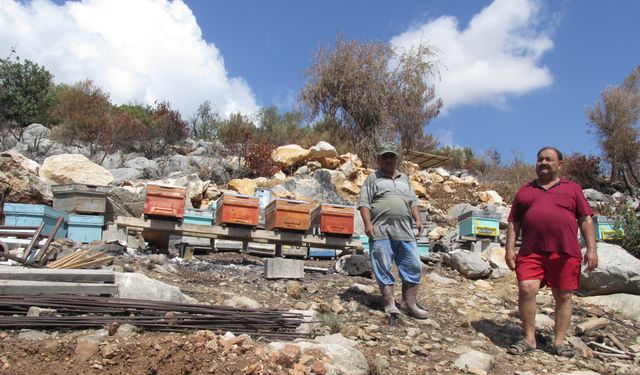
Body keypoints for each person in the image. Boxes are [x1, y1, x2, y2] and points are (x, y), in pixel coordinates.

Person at [505, 146, 598, 357]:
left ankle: (559, 342)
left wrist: (592, 250)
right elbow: (514, 222)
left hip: (565, 252)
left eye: (549, 159)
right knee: (527, 288)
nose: (544, 163)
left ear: (559, 165)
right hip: (531, 252)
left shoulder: (572, 189)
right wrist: (510, 249)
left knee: (563, 296)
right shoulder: (525, 190)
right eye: (540, 159)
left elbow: (585, 219)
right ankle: (529, 339)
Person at [358, 142, 427, 319]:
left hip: (405, 231)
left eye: (392, 156)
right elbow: (364, 203)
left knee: (413, 265)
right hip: (381, 230)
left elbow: (413, 202)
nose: (389, 159)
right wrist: (367, 224)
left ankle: (409, 304)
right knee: (382, 265)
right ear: (379, 159)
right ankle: (389, 303)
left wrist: (418, 220)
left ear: (396, 158)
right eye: (385, 156)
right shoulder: (372, 179)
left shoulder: (405, 179)